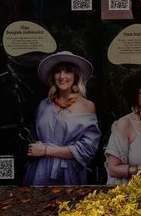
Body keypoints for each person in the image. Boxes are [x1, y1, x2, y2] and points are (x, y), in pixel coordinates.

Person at [22, 51, 100, 186]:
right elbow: (33, 138)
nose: (62, 76)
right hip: (39, 172)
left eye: (68, 72)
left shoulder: (87, 106)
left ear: (75, 76)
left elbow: (87, 150)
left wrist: (46, 151)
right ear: (53, 76)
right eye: (58, 72)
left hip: (70, 175)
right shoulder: (43, 105)